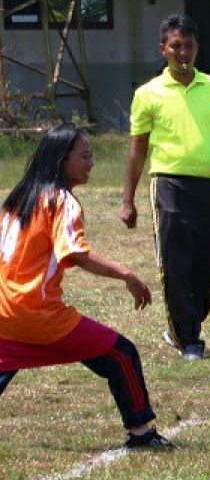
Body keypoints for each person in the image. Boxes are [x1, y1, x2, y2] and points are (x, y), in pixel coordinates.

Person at [0, 124, 169, 449]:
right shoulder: (61, 200)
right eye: (85, 156)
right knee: (121, 354)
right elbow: (74, 253)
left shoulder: (16, 199)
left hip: (6, 314)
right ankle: (141, 434)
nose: (91, 163)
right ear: (62, 159)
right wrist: (126, 274)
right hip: (40, 316)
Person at [125, 13, 210, 360]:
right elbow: (137, 151)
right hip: (169, 186)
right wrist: (128, 199)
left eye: (189, 45)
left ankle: (184, 323)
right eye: (175, 46)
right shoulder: (148, 94)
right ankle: (188, 337)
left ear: (198, 48)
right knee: (177, 263)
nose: (183, 52)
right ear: (163, 48)